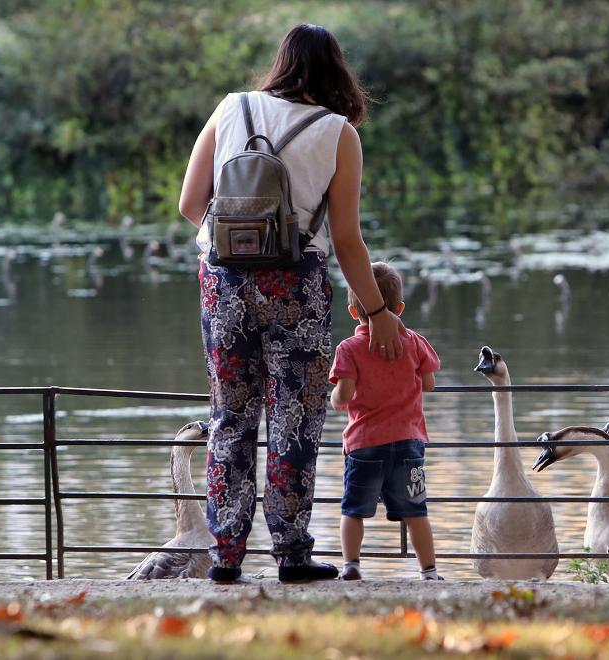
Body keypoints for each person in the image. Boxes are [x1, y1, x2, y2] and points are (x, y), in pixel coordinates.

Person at [177, 24, 404, 583]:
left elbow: (189, 204)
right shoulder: (338, 133)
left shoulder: (231, 108)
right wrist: (377, 313)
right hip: (295, 286)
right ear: (336, 73)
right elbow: (347, 241)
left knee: (230, 417)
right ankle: (292, 554)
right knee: (294, 419)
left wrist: (239, 236)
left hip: (222, 282)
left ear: (281, 63)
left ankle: (225, 556)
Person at [329, 262, 443, 581]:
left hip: (364, 445)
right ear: (401, 307)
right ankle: (429, 571)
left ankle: (351, 565)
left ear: (353, 312)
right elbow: (430, 383)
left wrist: (335, 398)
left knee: (354, 509)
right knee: (416, 511)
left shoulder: (349, 348)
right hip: (409, 444)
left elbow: (345, 395)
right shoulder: (415, 342)